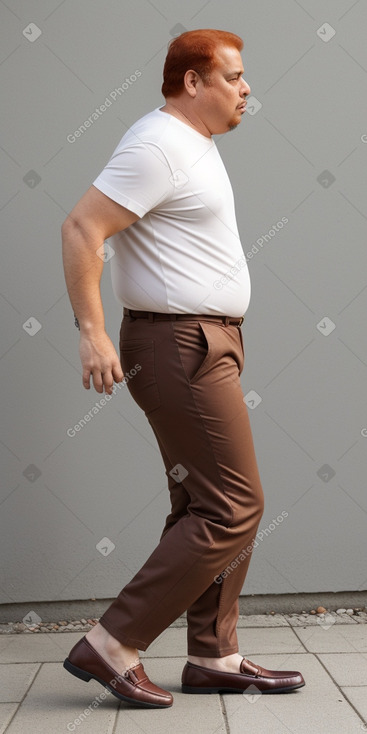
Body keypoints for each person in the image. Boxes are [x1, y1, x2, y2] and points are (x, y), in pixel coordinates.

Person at [62, 29, 305, 709]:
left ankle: (213, 655)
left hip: (204, 341)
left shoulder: (189, 145)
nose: (245, 88)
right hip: (179, 346)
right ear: (191, 82)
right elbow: (82, 227)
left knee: (201, 505)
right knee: (234, 504)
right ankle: (111, 644)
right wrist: (92, 333)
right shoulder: (158, 143)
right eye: (232, 77)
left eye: (243, 76)